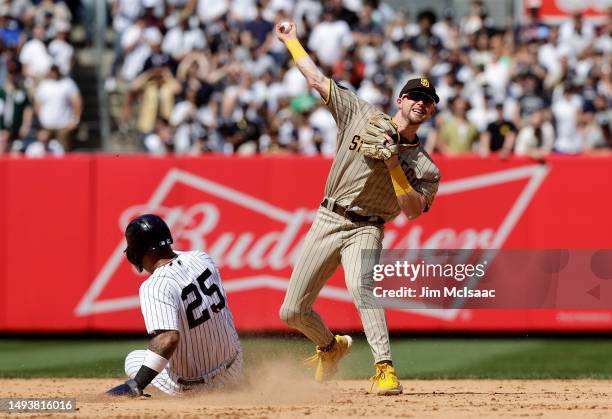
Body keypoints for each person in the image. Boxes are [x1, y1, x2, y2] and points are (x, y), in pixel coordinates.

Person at [275, 22, 440, 395]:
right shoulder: (360, 114)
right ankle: (330, 347)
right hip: (328, 216)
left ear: (430, 112)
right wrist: (291, 41)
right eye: (414, 96)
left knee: (361, 286)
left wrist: (395, 163)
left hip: (368, 226)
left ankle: (385, 369)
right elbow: (317, 80)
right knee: (291, 312)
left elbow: (412, 210)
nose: (421, 103)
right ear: (399, 101)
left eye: (427, 101)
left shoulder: (426, 167)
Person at [106, 214, 243, 397]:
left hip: (194, 388)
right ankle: (238, 382)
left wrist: (136, 384)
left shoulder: (155, 286)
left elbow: (168, 338)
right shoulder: (202, 258)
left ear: (137, 251)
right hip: (233, 369)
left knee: (132, 360)